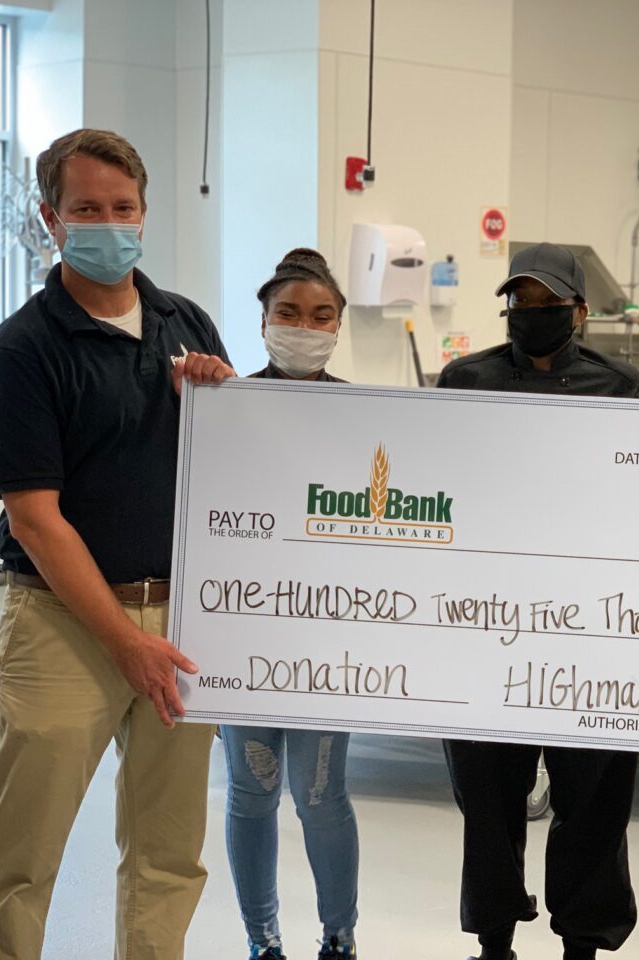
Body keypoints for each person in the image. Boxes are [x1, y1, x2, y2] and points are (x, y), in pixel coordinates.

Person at [0, 128, 235, 960]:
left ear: (144, 214)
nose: (108, 224)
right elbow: (37, 521)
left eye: (123, 207)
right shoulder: (23, 350)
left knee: (167, 859)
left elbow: (232, 477)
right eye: (87, 209)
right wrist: (124, 642)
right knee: (20, 862)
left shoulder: (185, 323)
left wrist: (223, 403)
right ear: (52, 219)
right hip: (64, 626)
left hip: (179, 619)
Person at [436, 242, 639, 960]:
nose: (532, 313)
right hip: (486, 624)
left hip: (590, 628)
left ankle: (582, 943)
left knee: (594, 797)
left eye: (547, 302)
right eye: (520, 301)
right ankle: (494, 941)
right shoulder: (464, 381)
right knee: (486, 796)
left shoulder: (621, 388)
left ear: (578, 311)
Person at [222, 248, 359, 960]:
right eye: (289, 313)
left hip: (328, 641)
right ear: (263, 321)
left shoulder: (368, 417)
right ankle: (262, 941)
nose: (304, 327)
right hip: (240, 633)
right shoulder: (223, 409)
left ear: (338, 325)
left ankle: (339, 937)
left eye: (320, 315)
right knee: (251, 792)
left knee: (320, 795)